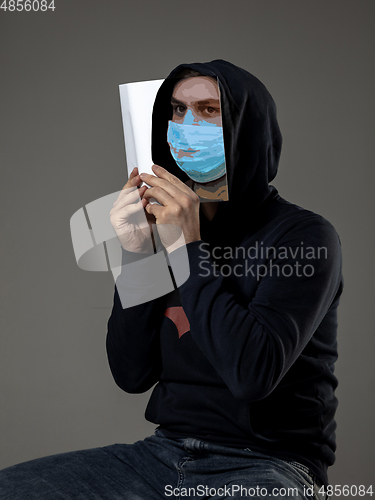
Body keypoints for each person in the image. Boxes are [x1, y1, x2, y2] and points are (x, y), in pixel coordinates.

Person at [0, 60, 343, 500]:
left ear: (248, 127)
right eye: (177, 111)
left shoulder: (304, 236)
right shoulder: (162, 229)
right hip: (161, 455)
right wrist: (139, 250)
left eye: (208, 110)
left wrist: (186, 246)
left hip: (268, 465)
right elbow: (131, 372)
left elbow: (251, 375)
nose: (187, 125)